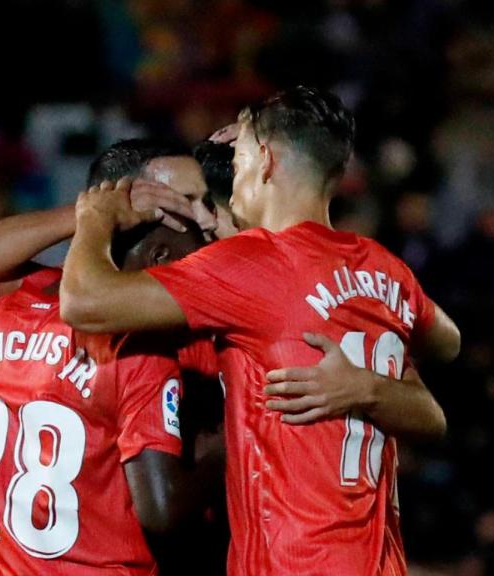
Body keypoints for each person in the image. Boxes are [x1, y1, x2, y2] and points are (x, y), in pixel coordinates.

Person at [60, 86, 459, 575]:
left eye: (242, 154)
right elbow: (447, 342)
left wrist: (93, 219)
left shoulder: (251, 267)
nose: (235, 169)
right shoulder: (384, 270)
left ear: (266, 161)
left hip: (294, 562)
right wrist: (369, 385)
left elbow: (84, 302)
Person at [0, 140, 214, 575]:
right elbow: (163, 509)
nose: (209, 220)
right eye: (189, 204)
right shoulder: (140, 343)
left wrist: (90, 215)